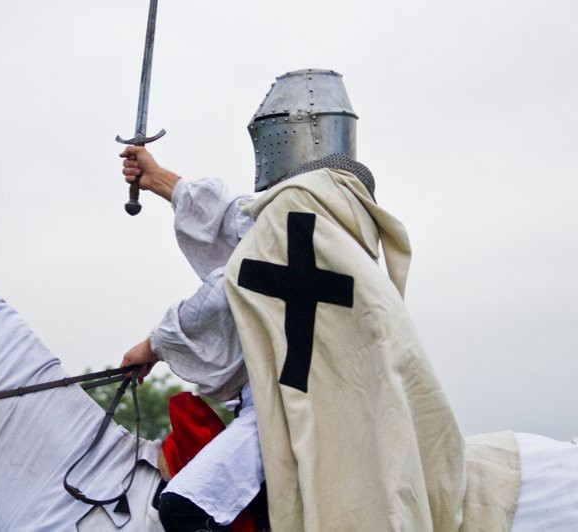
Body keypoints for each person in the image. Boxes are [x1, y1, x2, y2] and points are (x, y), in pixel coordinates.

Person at [119, 69, 575, 531]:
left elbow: (231, 283)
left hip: (291, 407)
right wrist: (161, 180)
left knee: (185, 507)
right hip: (329, 399)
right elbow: (240, 223)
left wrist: (154, 345)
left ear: (286, 135)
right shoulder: (330, 211)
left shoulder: (296, 213)